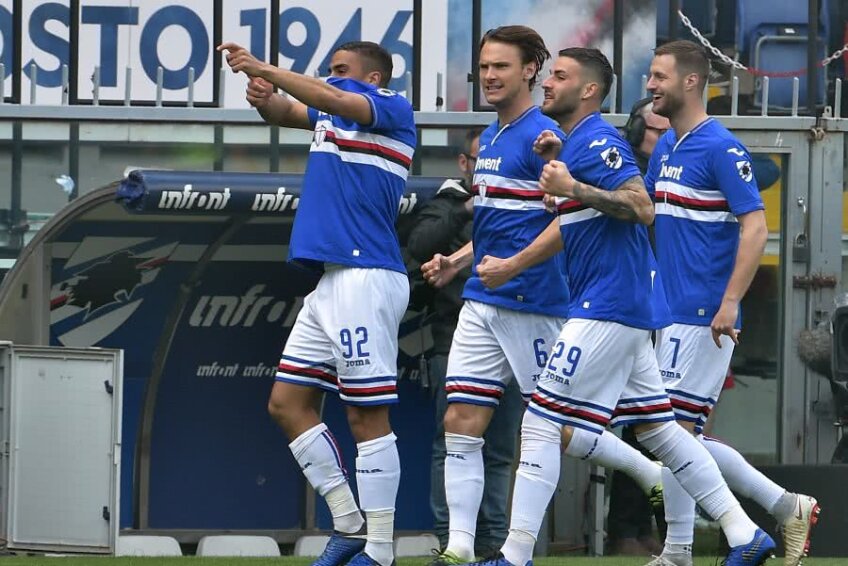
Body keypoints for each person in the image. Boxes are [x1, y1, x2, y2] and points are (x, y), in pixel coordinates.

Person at [461, 46, 775, 566]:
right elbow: (593, 212)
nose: (547, 84)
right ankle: (746, 534)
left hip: (612, 303)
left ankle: (513, 555)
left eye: (558, 77)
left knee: (540, 420)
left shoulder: (602, 140)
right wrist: (558, 178)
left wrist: (571, 185)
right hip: (635, 304)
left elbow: (639, 205)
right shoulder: (583, 141)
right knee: (662, 431)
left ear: (588, 90)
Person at [217, 40, 416, 566]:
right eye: (331, 72)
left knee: (365, 417)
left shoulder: (392, 108)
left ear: (372, 79)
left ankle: (380, 551)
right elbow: (289, 110)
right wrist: (264, 97)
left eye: (343, 71)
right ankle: (348, 524)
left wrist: (265, 67)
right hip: (332, 280)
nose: (333, 78)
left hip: (367, 276)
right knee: (286, 404)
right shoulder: (333, 114)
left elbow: (330, 100)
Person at [644, 39, 819, 566]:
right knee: (677, 435)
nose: (649, 85)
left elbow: (756, 227)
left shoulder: (720, 148)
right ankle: (782, 506)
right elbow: (649, 219)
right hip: (666, 310)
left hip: (703, 312)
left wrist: (729, 302)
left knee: (672, 432)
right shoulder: (669, 147)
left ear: (691, 82)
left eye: (658, 76)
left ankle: (689, 546)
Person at [419, 25, 571, 566]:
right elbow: (495, 224)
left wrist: (514, 265)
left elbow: (567, 226)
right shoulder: (492, 136)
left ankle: (650, 471)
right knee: (460, 418)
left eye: (501, 66)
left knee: (557, 429)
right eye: (484, 66)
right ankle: (460, 547)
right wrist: (457, 261)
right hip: (482, 302)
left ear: (531, 69)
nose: (489, 76)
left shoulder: (543, 136)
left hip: (534, 303)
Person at [406, 129, 524, 557]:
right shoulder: (448, 201)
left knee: (500, 447)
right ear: (465, 164)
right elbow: (419, 245)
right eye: (481, 161)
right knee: (452, 441)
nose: (489, 168)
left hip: (512, 337)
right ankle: (451, 539)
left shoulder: (519, 199)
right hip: (454, 338)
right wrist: (469, 207)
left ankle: (493, 540)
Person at [604, 97, 674, 557]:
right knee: (631, 425)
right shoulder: (623, 173)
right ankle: (623, 529)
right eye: (653, 130)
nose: (660, 139)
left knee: (661, 427)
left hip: (671, 312)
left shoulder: (682, 164)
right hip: (626, 308)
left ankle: (652, 526)